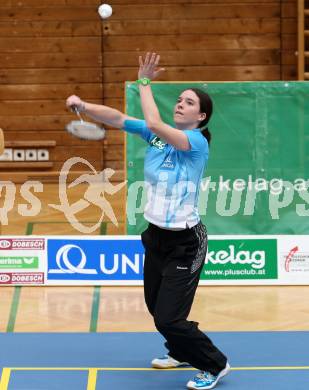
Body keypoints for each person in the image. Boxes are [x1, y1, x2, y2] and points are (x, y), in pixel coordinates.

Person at [66, 52, 230, 390]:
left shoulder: (196, 143)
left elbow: (154, 123)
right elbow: (118, 118)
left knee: (169, 317)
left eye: (189, 103)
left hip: (187, 242)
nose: (181, 105)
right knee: (156, 308)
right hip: (156, 235)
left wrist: (143, 82)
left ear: (201, 116)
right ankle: (180, 349)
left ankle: (215, 364)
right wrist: (83, 105)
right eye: (180, 100)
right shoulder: (156, 136)